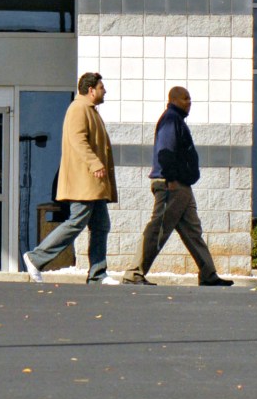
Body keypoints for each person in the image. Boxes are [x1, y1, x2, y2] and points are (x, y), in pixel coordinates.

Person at [121, 87, 234, 287]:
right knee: (158, 229)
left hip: (182, 187)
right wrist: (171, 178)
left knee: (193, 231)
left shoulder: (177, 120)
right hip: (171, 185)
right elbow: (165, 152)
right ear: (173, 99)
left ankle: (209, 274)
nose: (189, 102)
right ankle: (134, 274)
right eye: (185, 98)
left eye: (190, 98)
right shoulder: (170, 120)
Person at [23, 73, 120, 284]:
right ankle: (36, 258)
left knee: (101, 226)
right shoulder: (78, 109)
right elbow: (78, 140)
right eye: (102, 87)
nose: (105, 91)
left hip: (93, 184)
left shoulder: (90, 111)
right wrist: (95, 164)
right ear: (91, 90)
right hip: (83, 182)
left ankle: (98, 274)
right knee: (76, 222)